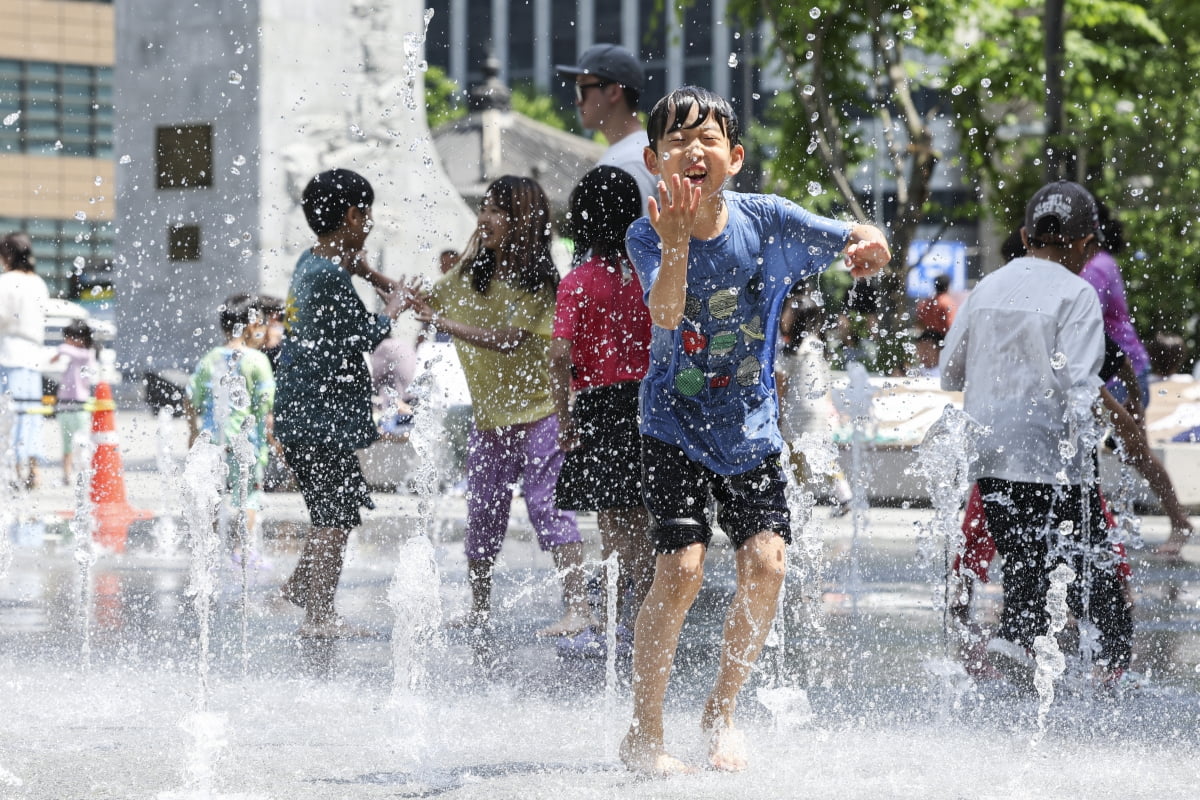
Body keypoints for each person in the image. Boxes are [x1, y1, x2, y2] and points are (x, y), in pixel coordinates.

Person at [619, 86, 890, 774]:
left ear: (734, 157)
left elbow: (855, 237)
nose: (693, 150)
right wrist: (676, 243)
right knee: (680, 571)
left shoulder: (766, 218)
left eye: (707, 138)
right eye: (677, 141)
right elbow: (666, 316)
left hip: (748, 426)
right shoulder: (648, 230)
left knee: (768, 565)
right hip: (671, 423)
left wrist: (872, 245)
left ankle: (722, 711)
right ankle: (645, 730)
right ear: (654, 160)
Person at [940, 180, 1133, 689]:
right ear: (1085, 242)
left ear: (1026, 235)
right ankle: (1107, 676)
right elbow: (1081, 386)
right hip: (1054, 453)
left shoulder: (986, 288)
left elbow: (949, 373)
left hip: (990, 450)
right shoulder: (1077, 294)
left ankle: (1014, 654)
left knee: (1028, 564)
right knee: (1096, 577)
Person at [403, 175, 594, 640]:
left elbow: (509, 340)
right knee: (483, 510)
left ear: (523, 221)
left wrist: (442, 321)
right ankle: (479, 608)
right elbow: (425, 300)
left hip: (541, 414)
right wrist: (381, 280)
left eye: (497, 211)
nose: (484, 218)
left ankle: (579, 606)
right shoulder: (470, 275)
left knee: (546, 506)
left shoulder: (541, 284)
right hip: (490, 420)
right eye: (484, 208)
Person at [273, 168, 405, 638]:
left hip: (304, 418)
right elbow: (366, 333)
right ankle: (319, 616)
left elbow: (349, 278)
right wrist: (391, 310)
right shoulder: (329, 278)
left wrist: (372, 272)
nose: (370, 224)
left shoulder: (311, 263)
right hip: (318, 421)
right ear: (352, 216)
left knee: (339, 506)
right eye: (366, 215)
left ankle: (296, 588)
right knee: (333, 516)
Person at [549, 166, 655, 659]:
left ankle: (620, 623)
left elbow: (558, 354)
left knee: (613, 518)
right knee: (647, 514)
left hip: (597, 405)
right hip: (648, 403)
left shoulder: (578, 281)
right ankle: (645, 618)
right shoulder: (649, 278)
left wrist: (564, 418)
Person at [186, 293, 276, 555]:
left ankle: (210, 552)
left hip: (214, 440)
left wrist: (193, 432)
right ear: (250, 325)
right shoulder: (257, 360)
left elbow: (190, 397)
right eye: (260, 324)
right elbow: (265, 405)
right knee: (247, 497)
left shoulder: (210, 358)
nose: (261, 331)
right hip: (246, 443)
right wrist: (270, 437)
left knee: (213, 496)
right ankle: (242, 551)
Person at [775, 288, 852, 516]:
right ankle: (844, 495)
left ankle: (796, 502)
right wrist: (831, 408)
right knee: (821, 452)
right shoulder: (815, 343)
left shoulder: (791, 350)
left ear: (796, 319)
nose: (783, 317)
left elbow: (781, 384)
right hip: (818, 409)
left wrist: (777, 413)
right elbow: (823, 379)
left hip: (797, 410)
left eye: (787, 312)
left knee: (794, 455)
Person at [557, 44, 657, 208]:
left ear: (614, 92)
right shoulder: (637, 152)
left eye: (582, 89)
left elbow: (634, 232)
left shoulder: (630, 161)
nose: (578, 101)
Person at [1080, 202, 1150, 421]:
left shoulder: (1095, 269)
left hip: (1118, 376)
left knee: (1118, 448)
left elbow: (1084, 323)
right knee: (1132, 450)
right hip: (1132, 367)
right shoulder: (1104, 262)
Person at [0, 232, 50, 490]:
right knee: (31, 414)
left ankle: (14, 471)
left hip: (9, 354)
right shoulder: (39, 282)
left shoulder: (6, 282)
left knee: (11, 414)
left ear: (7, 255)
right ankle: (34, 470)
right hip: (34, 357)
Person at [49, 319, 97, 486]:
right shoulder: (72, 357)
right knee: (66, 444)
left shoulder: (86, 354)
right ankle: (67, 474)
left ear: (80, 338)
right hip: (64, 405)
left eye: (69, 337)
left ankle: (85, 473)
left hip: (79, 405)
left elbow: (66, 350)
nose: (66, 341)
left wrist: (60, 352)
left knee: (82, 442)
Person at [915, 273, 957, 338]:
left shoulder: (926, 303)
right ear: (948, 286)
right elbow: (951, 324)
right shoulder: (947, 302)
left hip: (926, 338)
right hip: (941, 339)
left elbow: (919, 323)